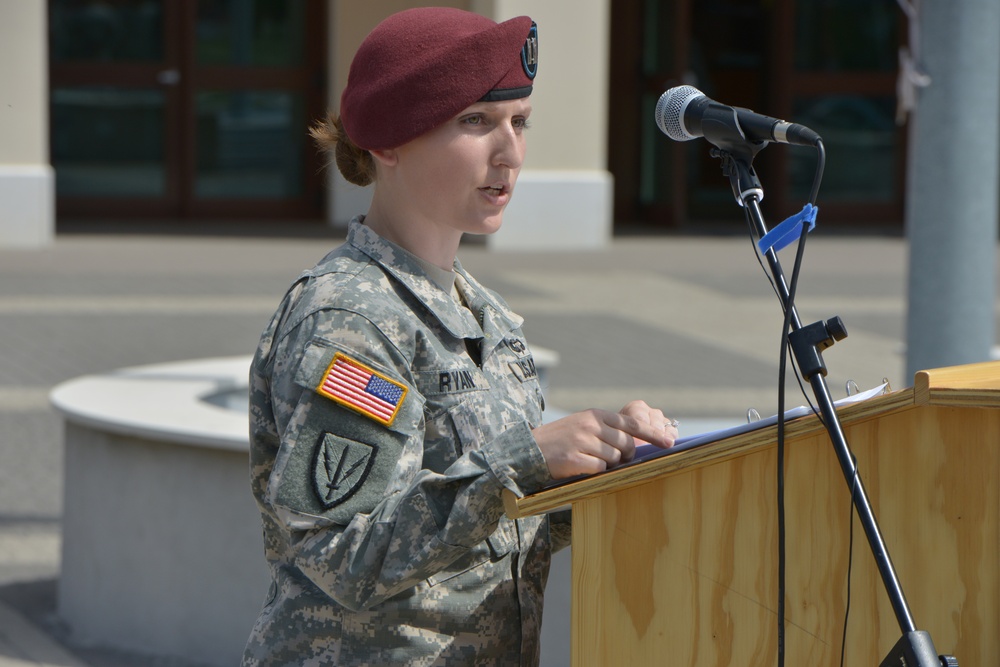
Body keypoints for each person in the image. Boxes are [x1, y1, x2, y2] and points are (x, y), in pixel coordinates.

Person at [241, 7, 678, 666]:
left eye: (519, 121)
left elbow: (488, 529)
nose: (510, 153)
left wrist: (615, 466)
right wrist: (521, 459)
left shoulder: (484, 315)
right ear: (388, 141)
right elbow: (335, 553)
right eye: (475, 122)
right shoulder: (353, 320)